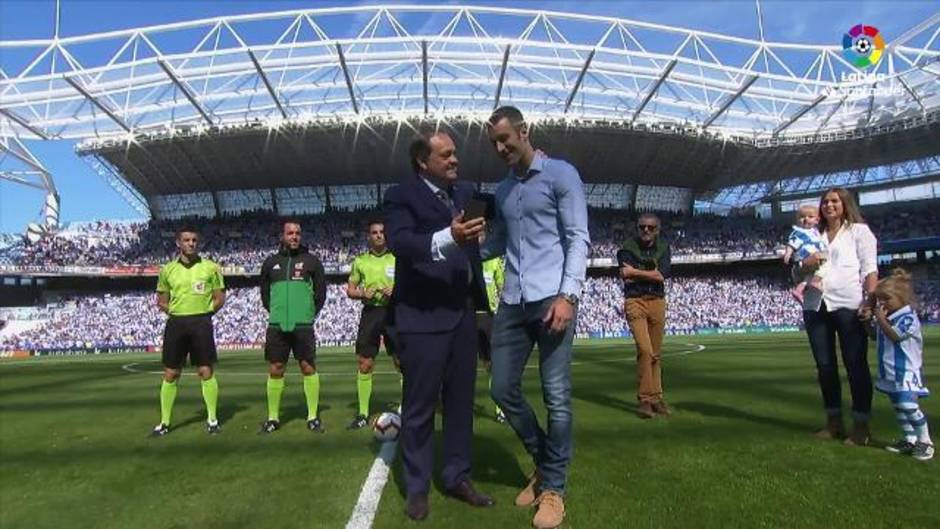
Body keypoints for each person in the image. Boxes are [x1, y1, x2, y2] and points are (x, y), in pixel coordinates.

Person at [483, 106, 590, 529]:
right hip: (513, 299)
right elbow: (498, 244)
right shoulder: (503, 190)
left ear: (524, 132)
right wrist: (465, 242)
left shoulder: (561, 175)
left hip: (552, 298)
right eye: (494, 143)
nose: (500, 148)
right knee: (501, 388)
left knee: (557, 397)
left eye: (505, 138)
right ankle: (545, 463)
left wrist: (568, 296)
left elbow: (577, 237)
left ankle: (554, 492)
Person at [383, 130, 494, 521]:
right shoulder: (400, 195)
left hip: (463, 312)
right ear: (422, 161)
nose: (454, 160)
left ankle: (456, 476)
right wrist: (450, 235)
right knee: (419, 408)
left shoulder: (465, 191)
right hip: (422, 316)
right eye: (445, 155)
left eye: (455, 154)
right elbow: (402, 243)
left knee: (461, 404)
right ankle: (417, 488)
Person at [800, 187, 878, 446]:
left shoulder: (859, 232)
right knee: (825, 367)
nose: (829, 205)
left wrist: (870, 300)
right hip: (815, 303)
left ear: (845, 204)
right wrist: (803, 264)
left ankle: (861, 425)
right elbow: (795, 274)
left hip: (849, 303)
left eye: (834, 201)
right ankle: (833, 422)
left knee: (855, 365)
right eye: (825, 201)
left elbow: (870, 269)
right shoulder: (813, 235)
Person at [151, 226, 225, 437]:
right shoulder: (167, 270)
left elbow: (220, 298)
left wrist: (205, 312)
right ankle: (164, 422)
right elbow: (161, 301)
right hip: (176, 324)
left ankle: (212, 419)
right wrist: (177, 311)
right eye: (187, 240)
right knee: (171, 373)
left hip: (201, 322)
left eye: (194, 240)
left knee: (205, 371)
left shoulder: (210, 267)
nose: (191, 243)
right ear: (178, 243)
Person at [258, 220, 327, 434]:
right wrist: (277, 312)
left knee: (307, 366)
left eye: (297, 233)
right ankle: (272, 418)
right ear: (282, 236)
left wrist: (307, 313)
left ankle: (313, 416)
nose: (294, 236)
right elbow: (265, 295)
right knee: (276, 368)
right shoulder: (270, 263)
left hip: (303, 324)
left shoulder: (312, 262)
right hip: (277, 324)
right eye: (290, 233)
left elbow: (320, 294)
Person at [863, 268, 933, 461]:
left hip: (906, 371)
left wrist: (880, 318)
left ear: (901, 298)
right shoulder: (889, 318)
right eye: (880, 300)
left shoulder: (908, 318)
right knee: (898, 406)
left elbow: (895, 336)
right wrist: (867, 323)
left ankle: (925, 441)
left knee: (908, 405)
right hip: (890, 371)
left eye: (887, 299)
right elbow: (875, 337)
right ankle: (909, 439)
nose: (882, 304)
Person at [345, 220, 400, 430]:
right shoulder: (360, 261)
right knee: (365, 363)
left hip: (394, 312)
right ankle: (362, 413)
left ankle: (408, 407)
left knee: (401, 361)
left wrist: (397, 290)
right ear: (369, 236)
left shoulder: (398, 259)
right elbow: (350, 289)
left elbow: (411, 286)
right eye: (374, 232)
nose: (378, 235)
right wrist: (361, 293)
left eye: (382, 232)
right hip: (371, 314)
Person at [617, 212, 672, 419]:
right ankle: (645, 400)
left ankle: (657, 398)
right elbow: (625, 276)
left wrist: (636, 273)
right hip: (635, 301)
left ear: (657, 230)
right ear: (637, 228)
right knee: (645, 350)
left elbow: (661, 276)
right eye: (642, 227)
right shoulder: (626, 248)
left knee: (656, 353)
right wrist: (650, 274)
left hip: (657, 301)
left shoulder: (664, 248)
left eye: (650, 227)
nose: (646, 231)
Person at [478, 231, 507, 423]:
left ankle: (499, 409)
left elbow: (502, 286)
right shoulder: (462, 256)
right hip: (466, 316)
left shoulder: (494, 260)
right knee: (460, 364)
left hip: (489, 317)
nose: (478, 237)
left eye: (481, 234)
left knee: (492, 364)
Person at [783, 205, 827, 304]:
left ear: (817, 220)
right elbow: (791, 243)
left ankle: (799, 290)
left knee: (811, 276)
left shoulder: (815, 232)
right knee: (821, 271)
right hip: (806, 257)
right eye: (802, 217)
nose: (806, 219)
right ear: (797, 220)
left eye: (810, 217)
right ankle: (815, 287)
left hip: (816, 257)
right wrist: (788, 253)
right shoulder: (798, 232)